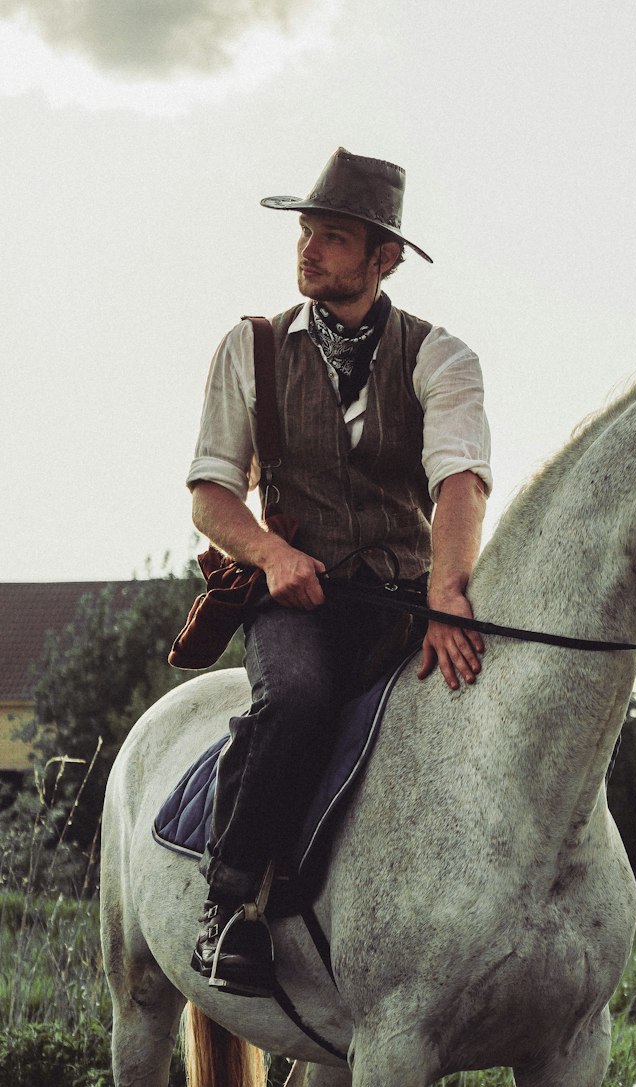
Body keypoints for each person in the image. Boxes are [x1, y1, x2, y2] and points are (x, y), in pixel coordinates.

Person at [187, 148, 491, 997]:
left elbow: (459, 480)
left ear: (384, 258)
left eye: (334, 237)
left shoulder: (442, 358)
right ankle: (232, 903)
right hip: (296, 599)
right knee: (300, 698)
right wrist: (273, 554)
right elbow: (212, 493)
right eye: (306, 232)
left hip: (401, 596)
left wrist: (447, 592)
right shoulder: (249, 348)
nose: (309, 249)